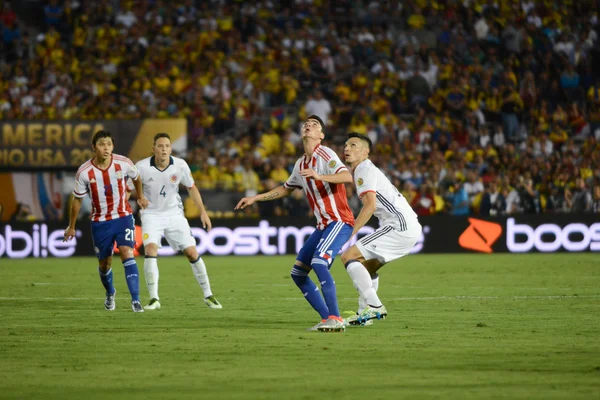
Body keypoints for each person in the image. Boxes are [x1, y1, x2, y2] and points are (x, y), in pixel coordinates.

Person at [235, 115, 355, 332]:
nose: (309, 126)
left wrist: (319, 176)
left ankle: (336, 318)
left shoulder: (325, 154)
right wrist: (256, 198)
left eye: (315, 125)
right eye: (306, 124)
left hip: (339, 220)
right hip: (322, 226)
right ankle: (327, 317)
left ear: (321, 135)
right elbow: (285, 188)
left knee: (319, 262)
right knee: (298, 274)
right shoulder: (300, 164)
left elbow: (347, 177)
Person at [132, 133, 222, 310]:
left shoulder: (180, 165)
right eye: (160, 146)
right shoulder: (141, 167)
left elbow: (191, 188)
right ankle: (154, 299)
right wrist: (138, 198)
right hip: (151, 214)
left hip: (174, 214)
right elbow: (128, 189)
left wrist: (203, 212)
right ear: (153, 149)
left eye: (167, 146)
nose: (164, 149)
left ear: (170, 149)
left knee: (191, 252)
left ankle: (208, 295)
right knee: (150, 249)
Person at [340, 133, 422, 326]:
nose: (347, 149)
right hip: (407, 226)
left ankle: (375, 306)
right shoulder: (365, 170)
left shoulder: (363, 169)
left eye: (353, 145)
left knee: (348, 256)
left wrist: (349, 233)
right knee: (367, 268)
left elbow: (369, 206)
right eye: (345, 145)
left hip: (399, 226)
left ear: (366, 152)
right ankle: (364, 314)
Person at [64, 130, 149, 312]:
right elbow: (77, 199)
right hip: (100, 222)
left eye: (109, 144)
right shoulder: (84, 172)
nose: (106, 148)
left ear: (113, 147)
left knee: (127, 252)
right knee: (105, 264)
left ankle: (136, 300)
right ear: (94, 147)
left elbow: (137, 177)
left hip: (123, 216)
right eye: (102, 144)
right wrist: (71, 226)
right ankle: (110, 293)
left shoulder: (123, 163)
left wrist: (140, 196)